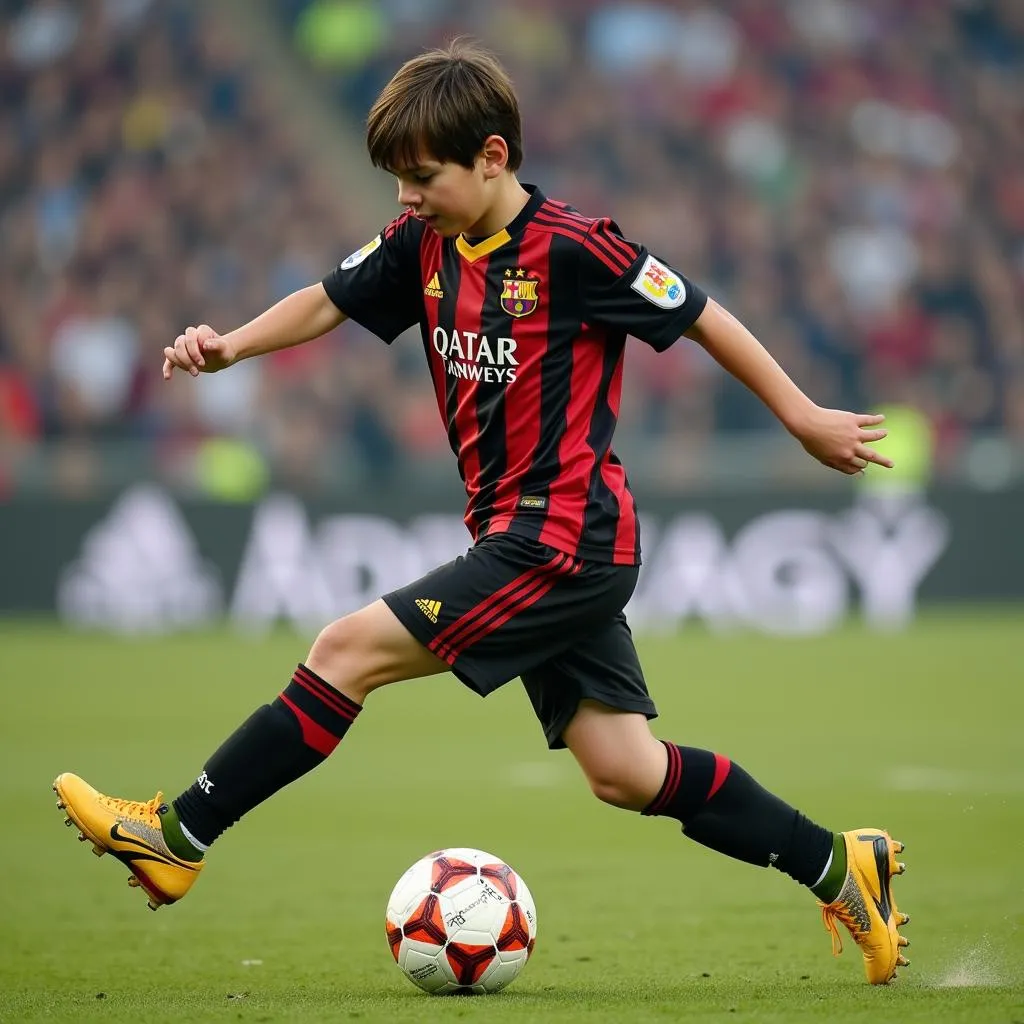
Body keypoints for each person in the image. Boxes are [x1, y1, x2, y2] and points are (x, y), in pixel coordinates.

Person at [53, 40, 909, 985]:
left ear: (493, 157)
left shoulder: (580, 248)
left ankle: (177, 835)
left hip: (564, 538)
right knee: (624, 771)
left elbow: (700, 312)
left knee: (344, 651)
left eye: (424, 178)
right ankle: (841, 865)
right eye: (398, 182)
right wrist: (231, 349)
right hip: (516, 537)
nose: (407, 198)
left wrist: (800, 416)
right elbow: (329, 301)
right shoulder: (422, 240)